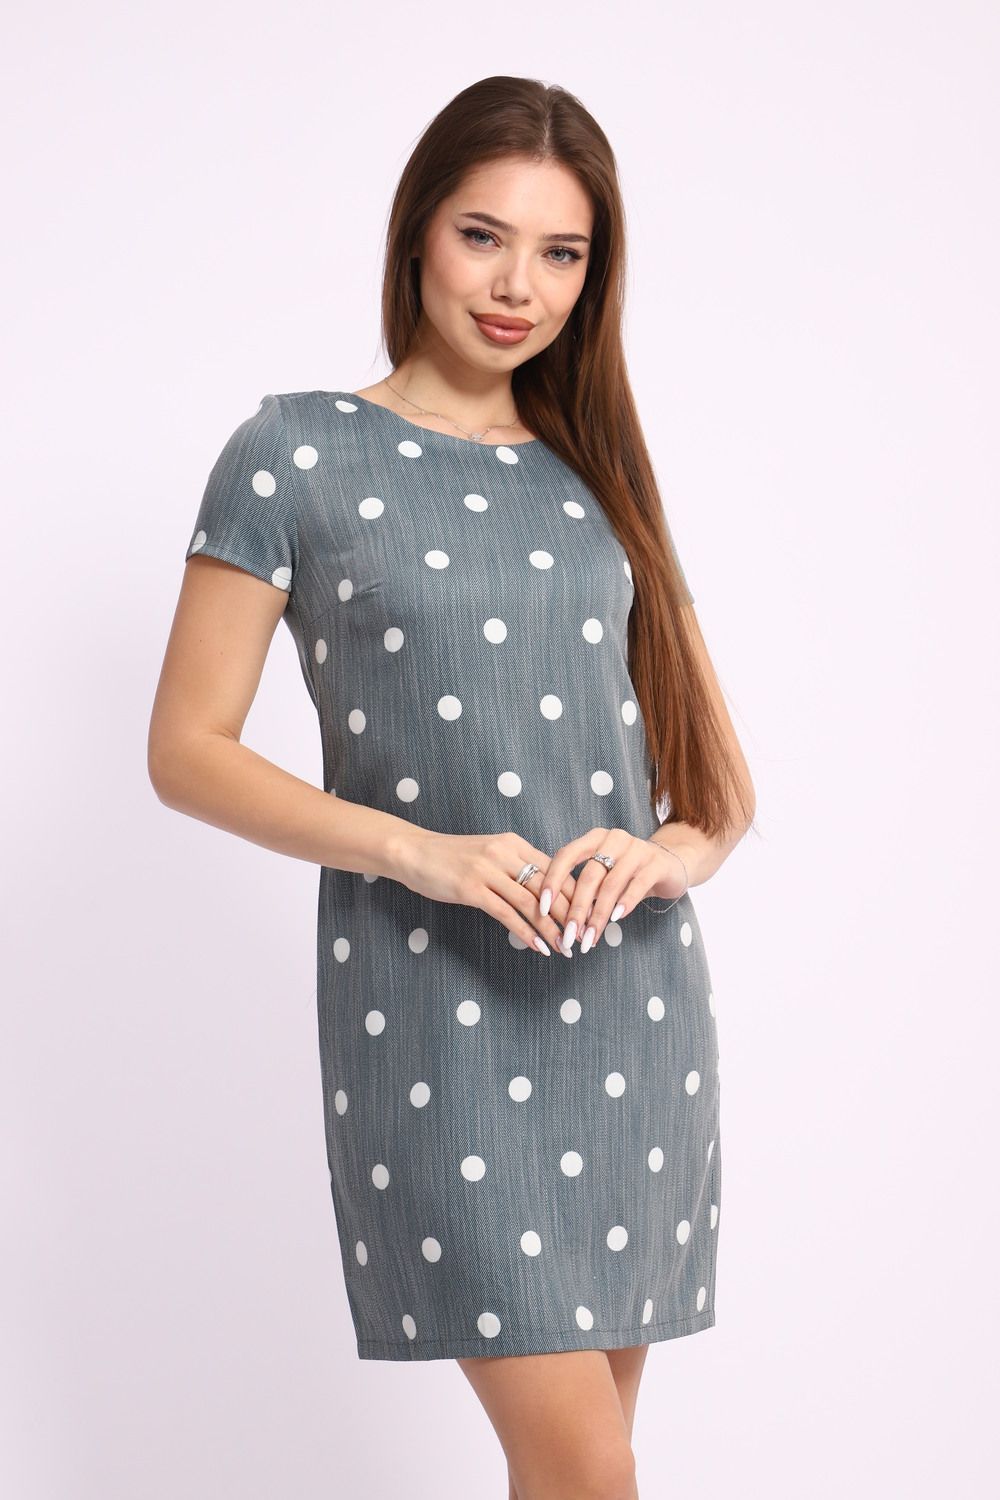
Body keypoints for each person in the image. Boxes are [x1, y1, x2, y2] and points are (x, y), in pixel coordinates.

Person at [148, 74, 756, 1500]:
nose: (517, 286)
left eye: (562, 253)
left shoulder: (600, 476)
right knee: (587, 1469)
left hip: (633, 1009)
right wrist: (418, 852)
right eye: (484, 236)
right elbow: (186, 748)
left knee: (581, 1474)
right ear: (417, 229)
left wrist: (665, 856)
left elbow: (717, 786)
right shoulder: (294, 451)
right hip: (430, 1009)